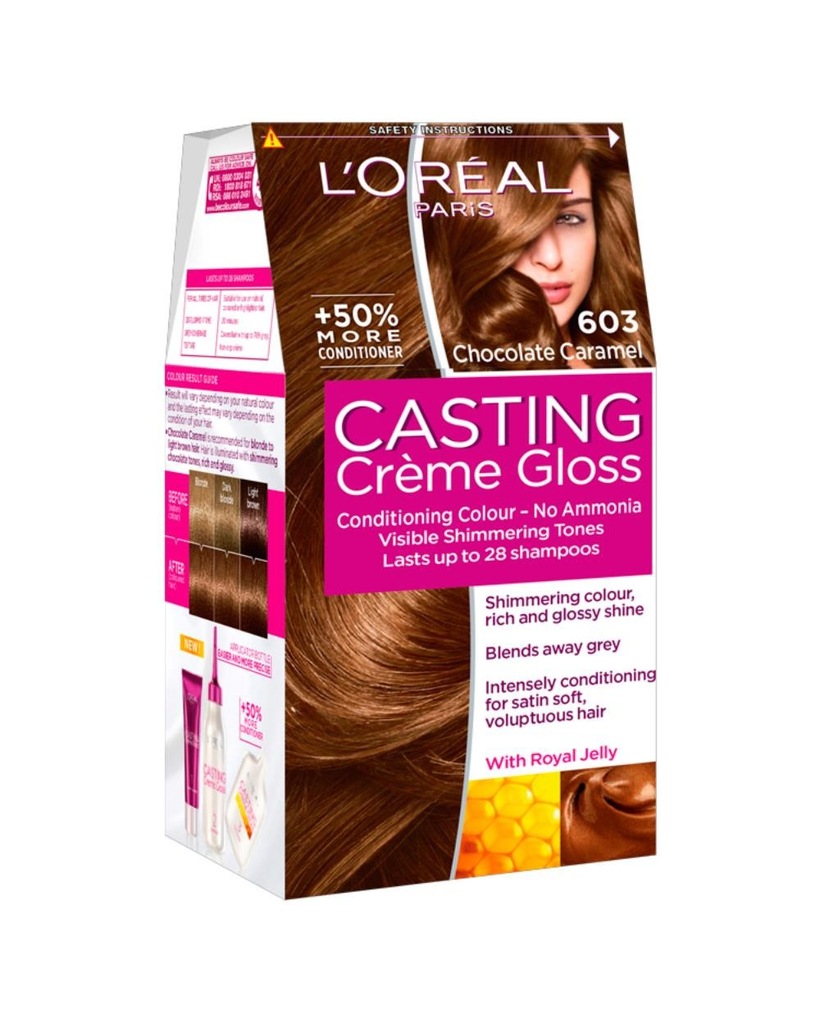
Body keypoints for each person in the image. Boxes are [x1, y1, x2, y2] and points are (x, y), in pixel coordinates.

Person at [421, 124, 655, 371]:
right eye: (522, 230)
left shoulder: (634, 352)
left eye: (569, 218)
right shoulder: (440, 374)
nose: (551, 258)